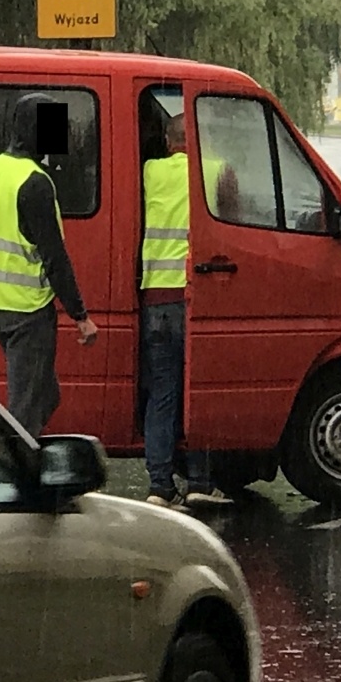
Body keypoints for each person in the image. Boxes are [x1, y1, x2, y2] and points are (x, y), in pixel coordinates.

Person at [0, 93, 98, 436]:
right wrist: (80, 316)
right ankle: (16, 460)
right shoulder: (35, 182)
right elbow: (55, 257)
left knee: (45, 395)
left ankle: (26, 446)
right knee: (25, 411)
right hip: (27, 310)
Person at [140, 112, 230, 508]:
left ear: (167, 140)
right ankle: (200, 481)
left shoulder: (149, 171)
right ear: (196, 141)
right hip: (196, 297)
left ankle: (159, 486)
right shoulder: (215, 171)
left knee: (162, 393)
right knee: (199, 393)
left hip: (154, 297)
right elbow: (234, 231)